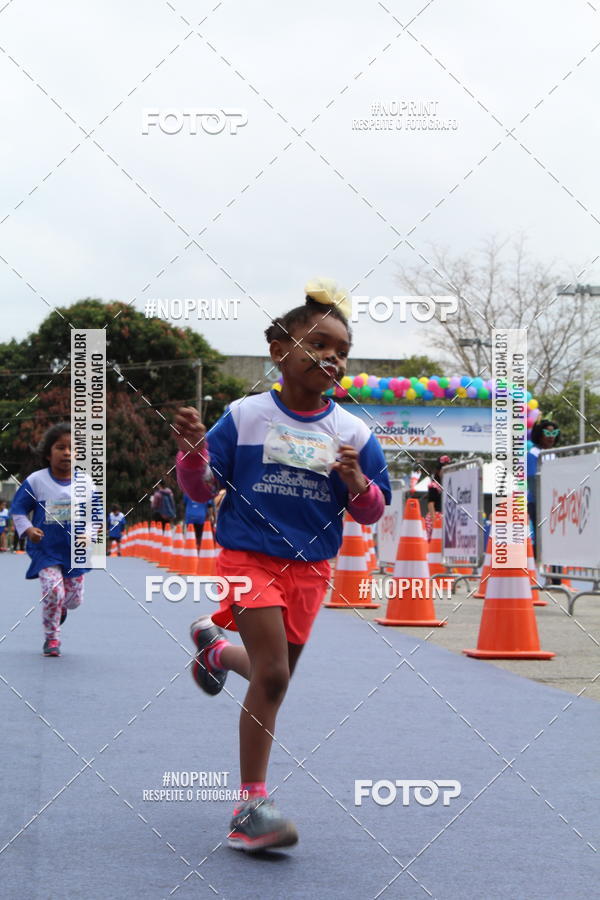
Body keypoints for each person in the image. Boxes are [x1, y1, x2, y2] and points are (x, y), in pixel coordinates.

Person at [174, 278, 391, 853]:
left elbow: (372, 511)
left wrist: (354, 480)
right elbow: (200, 486)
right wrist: (192, 452)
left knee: (276, 676)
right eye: (319, 344)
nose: (332, 357)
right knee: (272, 676)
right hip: (247, 554)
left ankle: (215, 650)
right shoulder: (245, 417)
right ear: (279, 351)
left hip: (311, 569)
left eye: (342, 351)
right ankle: (251, 805)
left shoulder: (353, 432)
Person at [9, 423, 94, 657]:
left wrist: (89, 534)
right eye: (60, 447)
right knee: (53, 591)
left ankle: (60, 609)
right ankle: (52, 638)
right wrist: (28, 530)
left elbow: (94, 515)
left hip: (74, 552)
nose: (67, 452)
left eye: (72, 448)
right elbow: (17, 510)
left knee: (74, 600)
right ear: (48, 454)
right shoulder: (36, 481)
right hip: (45, 550)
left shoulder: (85, 484)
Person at [527, 419, 560, 553]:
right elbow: (532, 479)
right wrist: (543, 500)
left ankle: (554, 572)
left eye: (554, 433)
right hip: (538, 503)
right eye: (547, 433)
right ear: (539, 435)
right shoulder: (532, 454)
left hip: (555, 503)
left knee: (555, 538)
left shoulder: (554, 455)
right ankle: (539, 569)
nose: (551, 436)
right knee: (542, 539)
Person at [425, 454, 453, 541]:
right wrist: (434, 520)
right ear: (438, 471)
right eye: (443, 469)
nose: (446, 471)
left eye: (449, 468)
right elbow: (430, 504)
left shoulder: (452, 486)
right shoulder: (434, 486)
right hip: (437, 516)